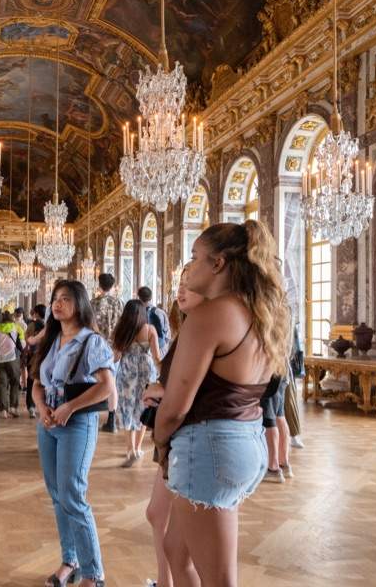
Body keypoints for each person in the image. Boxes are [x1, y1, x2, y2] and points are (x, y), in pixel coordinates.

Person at [154, 220, 290, 586]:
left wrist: (160, 440)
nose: (189, 267)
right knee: (175, 549)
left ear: (218, 264)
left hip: (210, 448)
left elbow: (176, 406)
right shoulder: (260, 313)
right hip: (247, 441)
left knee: (220, 580)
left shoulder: (210, 315)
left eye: (195, 257)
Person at [32, 280, 116, 587]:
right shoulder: (51, 341)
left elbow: (106, 387)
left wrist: (70, 407)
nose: (57, 304)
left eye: (65, 299)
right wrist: (42, 408)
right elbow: (37, 383)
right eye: (55, 298)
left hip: (76, 424)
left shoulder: (90, 341)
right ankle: (70, 560)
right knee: (57, 496)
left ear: (79, 304)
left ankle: (94, 573)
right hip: (49, 425)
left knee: (73, 495)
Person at [142, 268, 206, 587]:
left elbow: (199, 389)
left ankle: (167, 580)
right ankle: (163, 580)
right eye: (179, 284)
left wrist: (163, 392)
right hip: (171, 438)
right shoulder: (186, 331)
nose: (180, 291)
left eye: (188, 285)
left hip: (184, 437)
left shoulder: (203, 332)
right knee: (156, 514)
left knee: (183, 545)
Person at [111, 300, 161, 467]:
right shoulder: (150, 330)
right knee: (143, 407)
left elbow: (115, 357)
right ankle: (138, 448)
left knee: (127, 408)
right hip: (146, 373)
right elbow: (157, 358)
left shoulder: (121, 331)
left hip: (127, 373)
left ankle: (130, 448)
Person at [90, 273, 124, 433]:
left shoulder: (93, 303)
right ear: (113, 285)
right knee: (113, 383)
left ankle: (92, 417)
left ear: (99, 284)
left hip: (96, 347)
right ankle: (112, 420)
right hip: (115, 349)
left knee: (93, 382)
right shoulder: (119, 303)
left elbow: (87, 326)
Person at [0, 310, 25, 418]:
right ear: (12, 316)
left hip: (0, 359)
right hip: (13, 359)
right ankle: (13, 408)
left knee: (2, 385)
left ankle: (3, 411)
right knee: (15, 382)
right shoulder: (17, 327)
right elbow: (23, 345)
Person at [23, 304, 47, 418]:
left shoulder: (31, 325)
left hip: (33, 357)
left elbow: (26, 339)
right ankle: (44, 405)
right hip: (45, 357)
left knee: (31, 381)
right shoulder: (48, 325)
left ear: (36, 313)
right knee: (44, 382)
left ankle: (31, 407)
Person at [138, 286, 170, 355]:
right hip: (160, 349)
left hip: (144, 351)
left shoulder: (136, 313)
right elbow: (167, 335)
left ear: (139, 297)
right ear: (151, 297)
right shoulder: (160, 312)